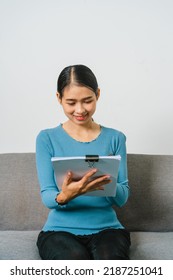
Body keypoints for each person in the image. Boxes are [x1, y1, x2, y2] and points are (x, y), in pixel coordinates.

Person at [36, 64, 131, 260]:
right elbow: (47, 195)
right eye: (71, 102)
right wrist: (64, 196)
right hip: (59, 231)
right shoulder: (46, 138)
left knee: (110, 263)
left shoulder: (116, 138)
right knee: (75, 263)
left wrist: (107, 182)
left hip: (108, 230)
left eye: (87, 100)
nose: (80, 110)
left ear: (98, 94)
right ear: (59, 98)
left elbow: (123, 198)